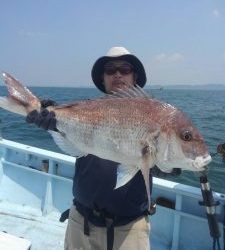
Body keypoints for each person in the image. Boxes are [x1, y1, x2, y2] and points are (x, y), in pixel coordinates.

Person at [26, 46, 180, 250]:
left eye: (125, 69)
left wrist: (167, 163)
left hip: (129, 231)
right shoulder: (85, 108)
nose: (117, 74)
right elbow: (68, 121)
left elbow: (173, 164)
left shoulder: (153, 114)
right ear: (103, 78)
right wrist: (52, 117)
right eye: (110, 69)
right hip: (80, 223)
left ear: (135, 76)